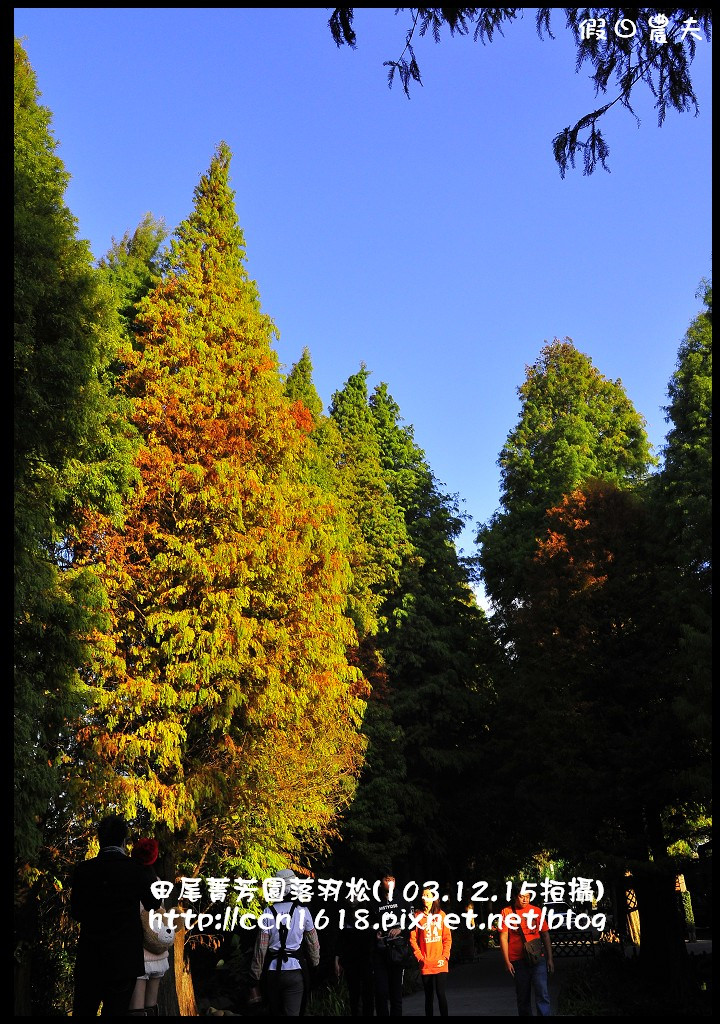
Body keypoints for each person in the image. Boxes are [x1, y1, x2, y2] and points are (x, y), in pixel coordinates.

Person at [70, 813, 160, 1017]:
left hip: (90, 958)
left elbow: (76, 912)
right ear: (124, 841)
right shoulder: (135, 870)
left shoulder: (84, 870)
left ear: (99, 840)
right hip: (123, 960)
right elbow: (153, 903)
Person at [249, 868, 320, 1016]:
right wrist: (315, 964)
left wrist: (255, 977)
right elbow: (313, 943)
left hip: (273, 972)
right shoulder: (303, 911)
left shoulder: (268, 912)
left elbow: (260, 949)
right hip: (295, 970)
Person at [128, 838, 171, 1017]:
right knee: (151, 1005)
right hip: (158, 947)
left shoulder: (131, 880)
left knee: (137, 1009)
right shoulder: (157, 881)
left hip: (140, 952)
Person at [498, 884, 554, 1017]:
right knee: (523, 998)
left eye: (528, 897)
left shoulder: (536, 911)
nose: (525, 900)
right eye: (521, 896)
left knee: (542, 995)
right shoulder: (506, 912)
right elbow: (503, 937)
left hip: (537, 959)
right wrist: (507, 961)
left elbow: (545, 935)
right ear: (514, 897)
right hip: (517, 960)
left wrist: (549, 959)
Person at [371, 868, 410, 1017]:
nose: (390, 882)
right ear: (381, 883)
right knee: (381, 993)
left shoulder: (402, 899)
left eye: (392, 879)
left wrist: (400, 929)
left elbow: (411, 922)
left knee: (396, 994)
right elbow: (368, 923)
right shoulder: (374, 901)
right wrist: (376, 932)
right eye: (387, 879)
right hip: (380, 952)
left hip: (397, 952)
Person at [409, 887, 452, 1017]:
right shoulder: (417, 916)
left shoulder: (442, 915)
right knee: (429, 996)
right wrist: (420, 958)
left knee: (440, 994)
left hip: (440, 962)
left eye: (427, 895)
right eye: (423, 895)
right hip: (425, 963)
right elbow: (412, 939)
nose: (424, 898)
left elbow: (447, 938)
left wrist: (444, 957)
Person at [334, 890, 375, 1016]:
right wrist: (336, 961)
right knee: (354, 995)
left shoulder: (369, 914)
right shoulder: (343, 916)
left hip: (367, 960)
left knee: (368, 994)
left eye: (355, 895)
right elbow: (339, 940)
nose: (352, 899)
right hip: (350, 961)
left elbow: (374, 936)